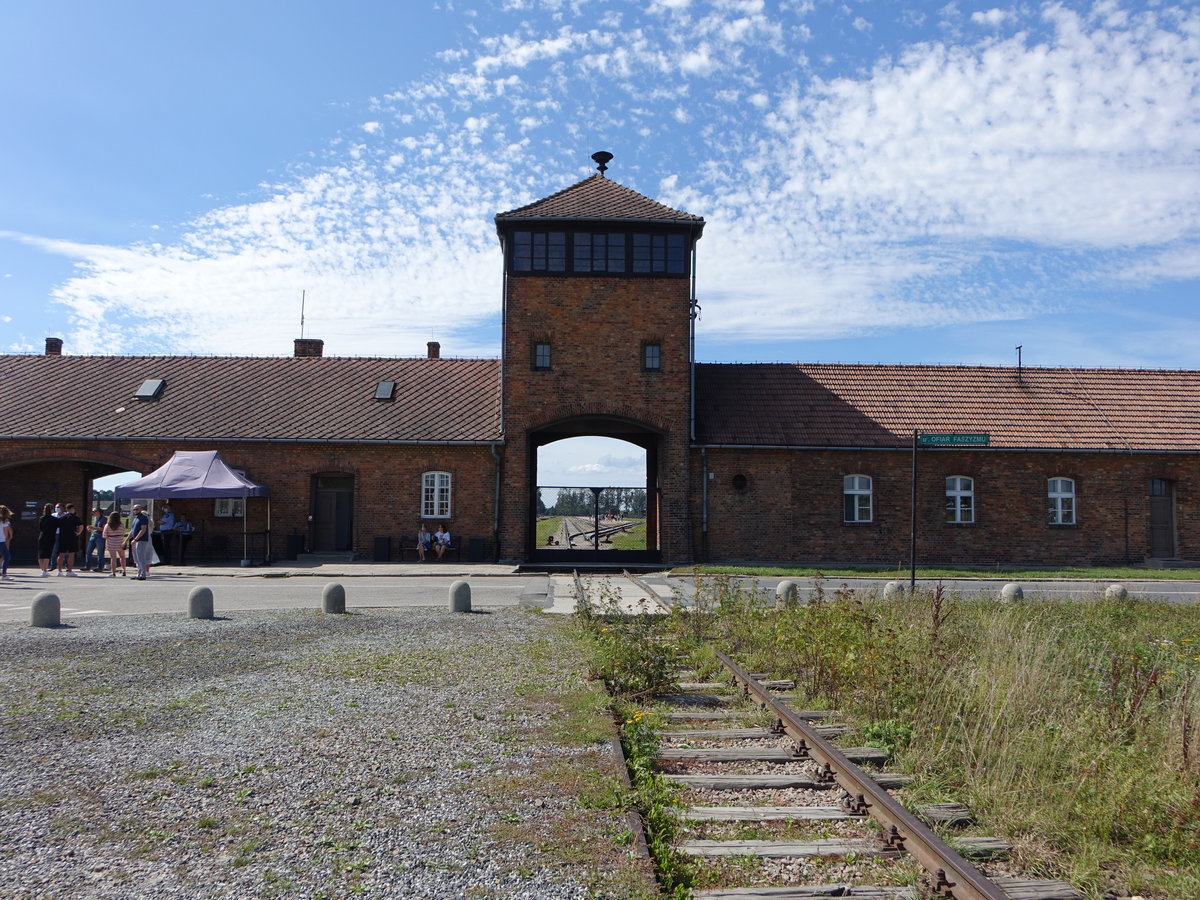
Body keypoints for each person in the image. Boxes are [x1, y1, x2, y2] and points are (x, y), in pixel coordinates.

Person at [55, 503, 83, 576]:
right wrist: (78, 533)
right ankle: (69, 571)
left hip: (62, 537)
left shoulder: (62, 518)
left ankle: (59, 571)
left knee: (61, 554)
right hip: (72, 537)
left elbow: (56, 526)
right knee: (71, 554)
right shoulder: (75, 517)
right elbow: (81, 525)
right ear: (72, 509)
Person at [128, 504, 153, 580]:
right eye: (134, 509)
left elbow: (143, 529)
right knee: (136, 558)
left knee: (141, 558)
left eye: (137, 509)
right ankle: (138, 574)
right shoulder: (136, 519)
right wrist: (126, 540)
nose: (135, 511)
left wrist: (135, 539)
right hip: (135, 541)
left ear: (141, 509)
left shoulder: (143, 517)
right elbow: (132, 531)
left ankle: (143, 574)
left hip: (141, 540)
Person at [102, 511, 128, 576]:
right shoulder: (121, 525)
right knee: (122, 557)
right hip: (120, 541)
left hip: (111, 542)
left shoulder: (107, 525)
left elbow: (104, 535)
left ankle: (113, 572)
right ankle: (124, 570)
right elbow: (123, 533)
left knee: (113, 558)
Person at [83, 508, 107, 572]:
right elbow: (94, 527)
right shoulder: (94, 518)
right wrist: (90, 528)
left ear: (98, 512)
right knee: (88, 551)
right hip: (93, 536)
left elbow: (104, 529)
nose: (93, 512)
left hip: (100, 537)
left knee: (100, 553)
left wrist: (93, 528)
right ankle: (87, 566)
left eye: (94, 511)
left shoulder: (104, 519)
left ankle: (100, 567)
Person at [37, 504, 57, 577]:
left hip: (42, 536)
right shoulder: (54, 519)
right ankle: (45, 570)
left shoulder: (41, 518)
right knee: (47, 554)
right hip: (50, 537)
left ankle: (42, 570)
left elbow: (40, 527)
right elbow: (57, 527)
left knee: (41, 553)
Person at [0, 505, 12, 581]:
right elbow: (5, 532)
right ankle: (4, 574)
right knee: (7, 557)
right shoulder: (5, 521)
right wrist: (9, 538)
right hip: (1, 541)